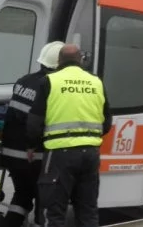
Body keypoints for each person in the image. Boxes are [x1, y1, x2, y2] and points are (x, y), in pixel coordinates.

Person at [27, 44, 112, 227]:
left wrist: (33, 145)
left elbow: (34, 123)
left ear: (58, 61)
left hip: (59, 154)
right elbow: (107, 122)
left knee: (54, 211)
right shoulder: (96, 81)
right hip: (90, 154)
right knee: (88, 211)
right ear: (81, 59)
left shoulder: (50, 81)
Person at [0, 41, 65, 227]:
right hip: (34, 155)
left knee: (23, 195)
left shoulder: (23, 80)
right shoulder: (51, 85)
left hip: (10, 154)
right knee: (45, 199)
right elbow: (37, 124)